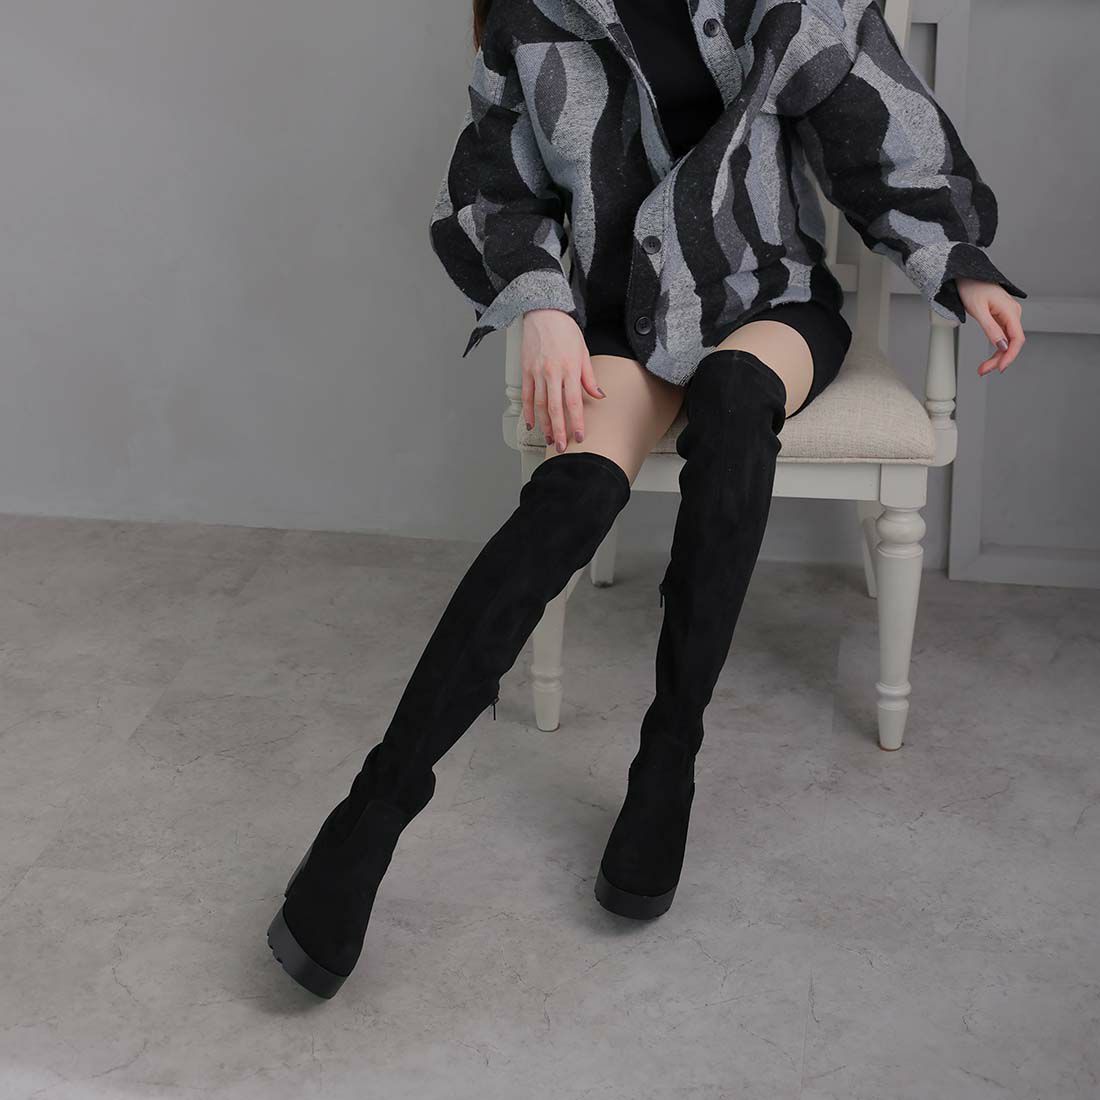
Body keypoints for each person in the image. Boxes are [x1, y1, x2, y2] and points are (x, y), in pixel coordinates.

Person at [267, 0, 1027, 998]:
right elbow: (495, 186)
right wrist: (541, 304)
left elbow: (879, 135)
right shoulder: (532, 17)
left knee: (733, 398)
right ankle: (369, 816)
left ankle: (668, 758)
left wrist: (958, 263)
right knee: (573, 495)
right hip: (618, 313)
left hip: (764, 302)